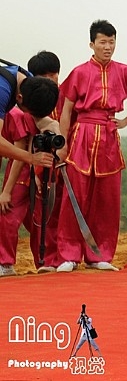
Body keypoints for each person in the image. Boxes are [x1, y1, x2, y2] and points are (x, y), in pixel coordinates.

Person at [55, 20, 127, 273]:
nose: (108, 47)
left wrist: (126, 120)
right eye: (103, 42)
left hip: (109, 136)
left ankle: (100, 255)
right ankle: (69, 255)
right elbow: (66, 110)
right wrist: (62, 143)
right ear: (92, 44)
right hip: (82, 135)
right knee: (75, 196)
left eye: (111, 42)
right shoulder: (80, 72)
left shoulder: (123, 71)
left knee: (107, 199)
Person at [0, 58, 59, 277]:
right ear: (20, 99)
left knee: (41, 217)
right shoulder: (5, 93)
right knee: (10, 215)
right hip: (23, 165)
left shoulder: (32, 87)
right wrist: (31, 159)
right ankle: (5, 262)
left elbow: (39, 125)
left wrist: (54, 128)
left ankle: (45, 261)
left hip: (31, 167)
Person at [27, 50, 65, 272]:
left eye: (53, 75)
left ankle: (64, 258)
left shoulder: (66, 97)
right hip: (38, 163)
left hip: (65, 163)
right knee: (42, 212)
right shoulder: (31, 101)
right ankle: (45, 260)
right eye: (44, 76)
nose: (50, 80)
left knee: (63, 212)